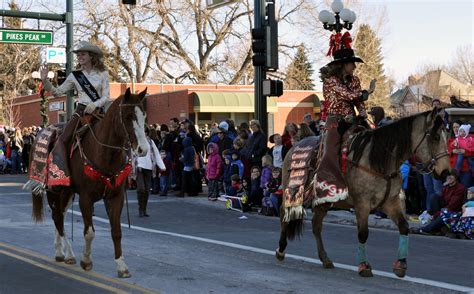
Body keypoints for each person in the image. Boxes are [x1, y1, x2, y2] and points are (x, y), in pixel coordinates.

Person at [41, 41, 110, 186]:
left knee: (118, 134)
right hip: (81, 112)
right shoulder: (75, 76)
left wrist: (94, 104)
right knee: (63, 139)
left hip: (99, 112)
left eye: (83, 54)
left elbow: (106, 97)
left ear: (92, 56)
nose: (79, 57)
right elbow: (57, 92)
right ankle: (61, 174)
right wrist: (45, 80)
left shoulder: (103, 74)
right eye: (78, 55)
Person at [315, 48, 376, 199]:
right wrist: (368, 92)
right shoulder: (330, 81)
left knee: (374, 139)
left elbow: (356, 100)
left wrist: (362, 110)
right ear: (342, 65)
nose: (354, 67)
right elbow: (347, 95)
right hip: (335, 120)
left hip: (353, 119)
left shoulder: (354, 80)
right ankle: (329, 186)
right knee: (331, 150)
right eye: (352, 64)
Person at [133, 127, 166, 217]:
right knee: (141, 189)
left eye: (145, 132)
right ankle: (140, 208)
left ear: (147, 133)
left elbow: (156, 154)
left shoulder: (151, 142)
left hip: (149, 167)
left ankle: (144, 209)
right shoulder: (136, 141)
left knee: (147, 190)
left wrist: (162, 166)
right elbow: (133, 154)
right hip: (139, 167)